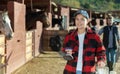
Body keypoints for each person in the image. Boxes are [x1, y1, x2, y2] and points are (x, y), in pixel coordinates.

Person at [61, 9, 106, 74]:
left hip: (88, 70)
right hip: (70, 69)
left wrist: (101, 60)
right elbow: (64, 49)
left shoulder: (95, 36)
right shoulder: (69, 36)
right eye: (77, 19)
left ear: (87, 21)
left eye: (82, 19)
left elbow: (101, 51)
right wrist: (66, 52)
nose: (79, 22)